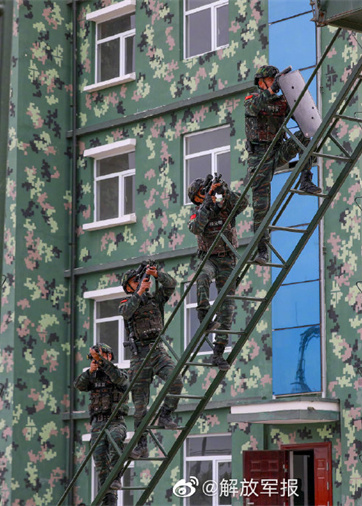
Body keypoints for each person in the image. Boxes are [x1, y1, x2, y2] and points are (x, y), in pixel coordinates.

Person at [245, 64, 321, 265]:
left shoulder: (281, 103)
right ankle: (262, 250)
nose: (274, 83)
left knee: (307, 134)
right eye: (271, 80)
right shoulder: (252, 99)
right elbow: (254, 108)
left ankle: (306, 179)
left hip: (277, 152)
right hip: (259, 158)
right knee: (261, 206)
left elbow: (302, 116)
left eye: (275, 80)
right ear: (262, 82)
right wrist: (272, 90)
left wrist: (292, 94)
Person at [119, 263, 183, 460]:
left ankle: (166, 414)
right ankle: (141, 446)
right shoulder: (126, 302)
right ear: (128, 287)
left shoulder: (155, 300)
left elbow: (171, 285)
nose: (138, 283)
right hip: (139, 356)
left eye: (138, 280)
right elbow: (126, 313)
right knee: (140, 407)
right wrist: (139, 292)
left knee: (176, 380)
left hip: (157, 351)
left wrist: (157, 275)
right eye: (134, 282)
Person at [187, 176, 248, 371]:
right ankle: (203, 314)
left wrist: (224, 191)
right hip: (209, 258)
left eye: (207, 190)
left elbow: (243, 203)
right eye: (202, 193)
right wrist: (207, 203)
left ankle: (218, 353)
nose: (207, 193)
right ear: (196, 198)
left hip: (227, 260)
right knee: (202, 277)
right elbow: (196, 228)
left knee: (227, 308)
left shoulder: (224, 205)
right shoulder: (198, 212)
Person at [74, 343, 129, 506]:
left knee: (116, 438)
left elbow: (120, 380)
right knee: (100, 462)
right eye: (94, 358)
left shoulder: (119, 374)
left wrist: (102, 363)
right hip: (98, 423)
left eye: (100, 356)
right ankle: (108, 498)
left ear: (109, 356)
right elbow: (79, 385)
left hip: (115, 420)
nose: (97, 360)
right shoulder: (93, 376)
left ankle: (116, 477)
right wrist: (90, 371)